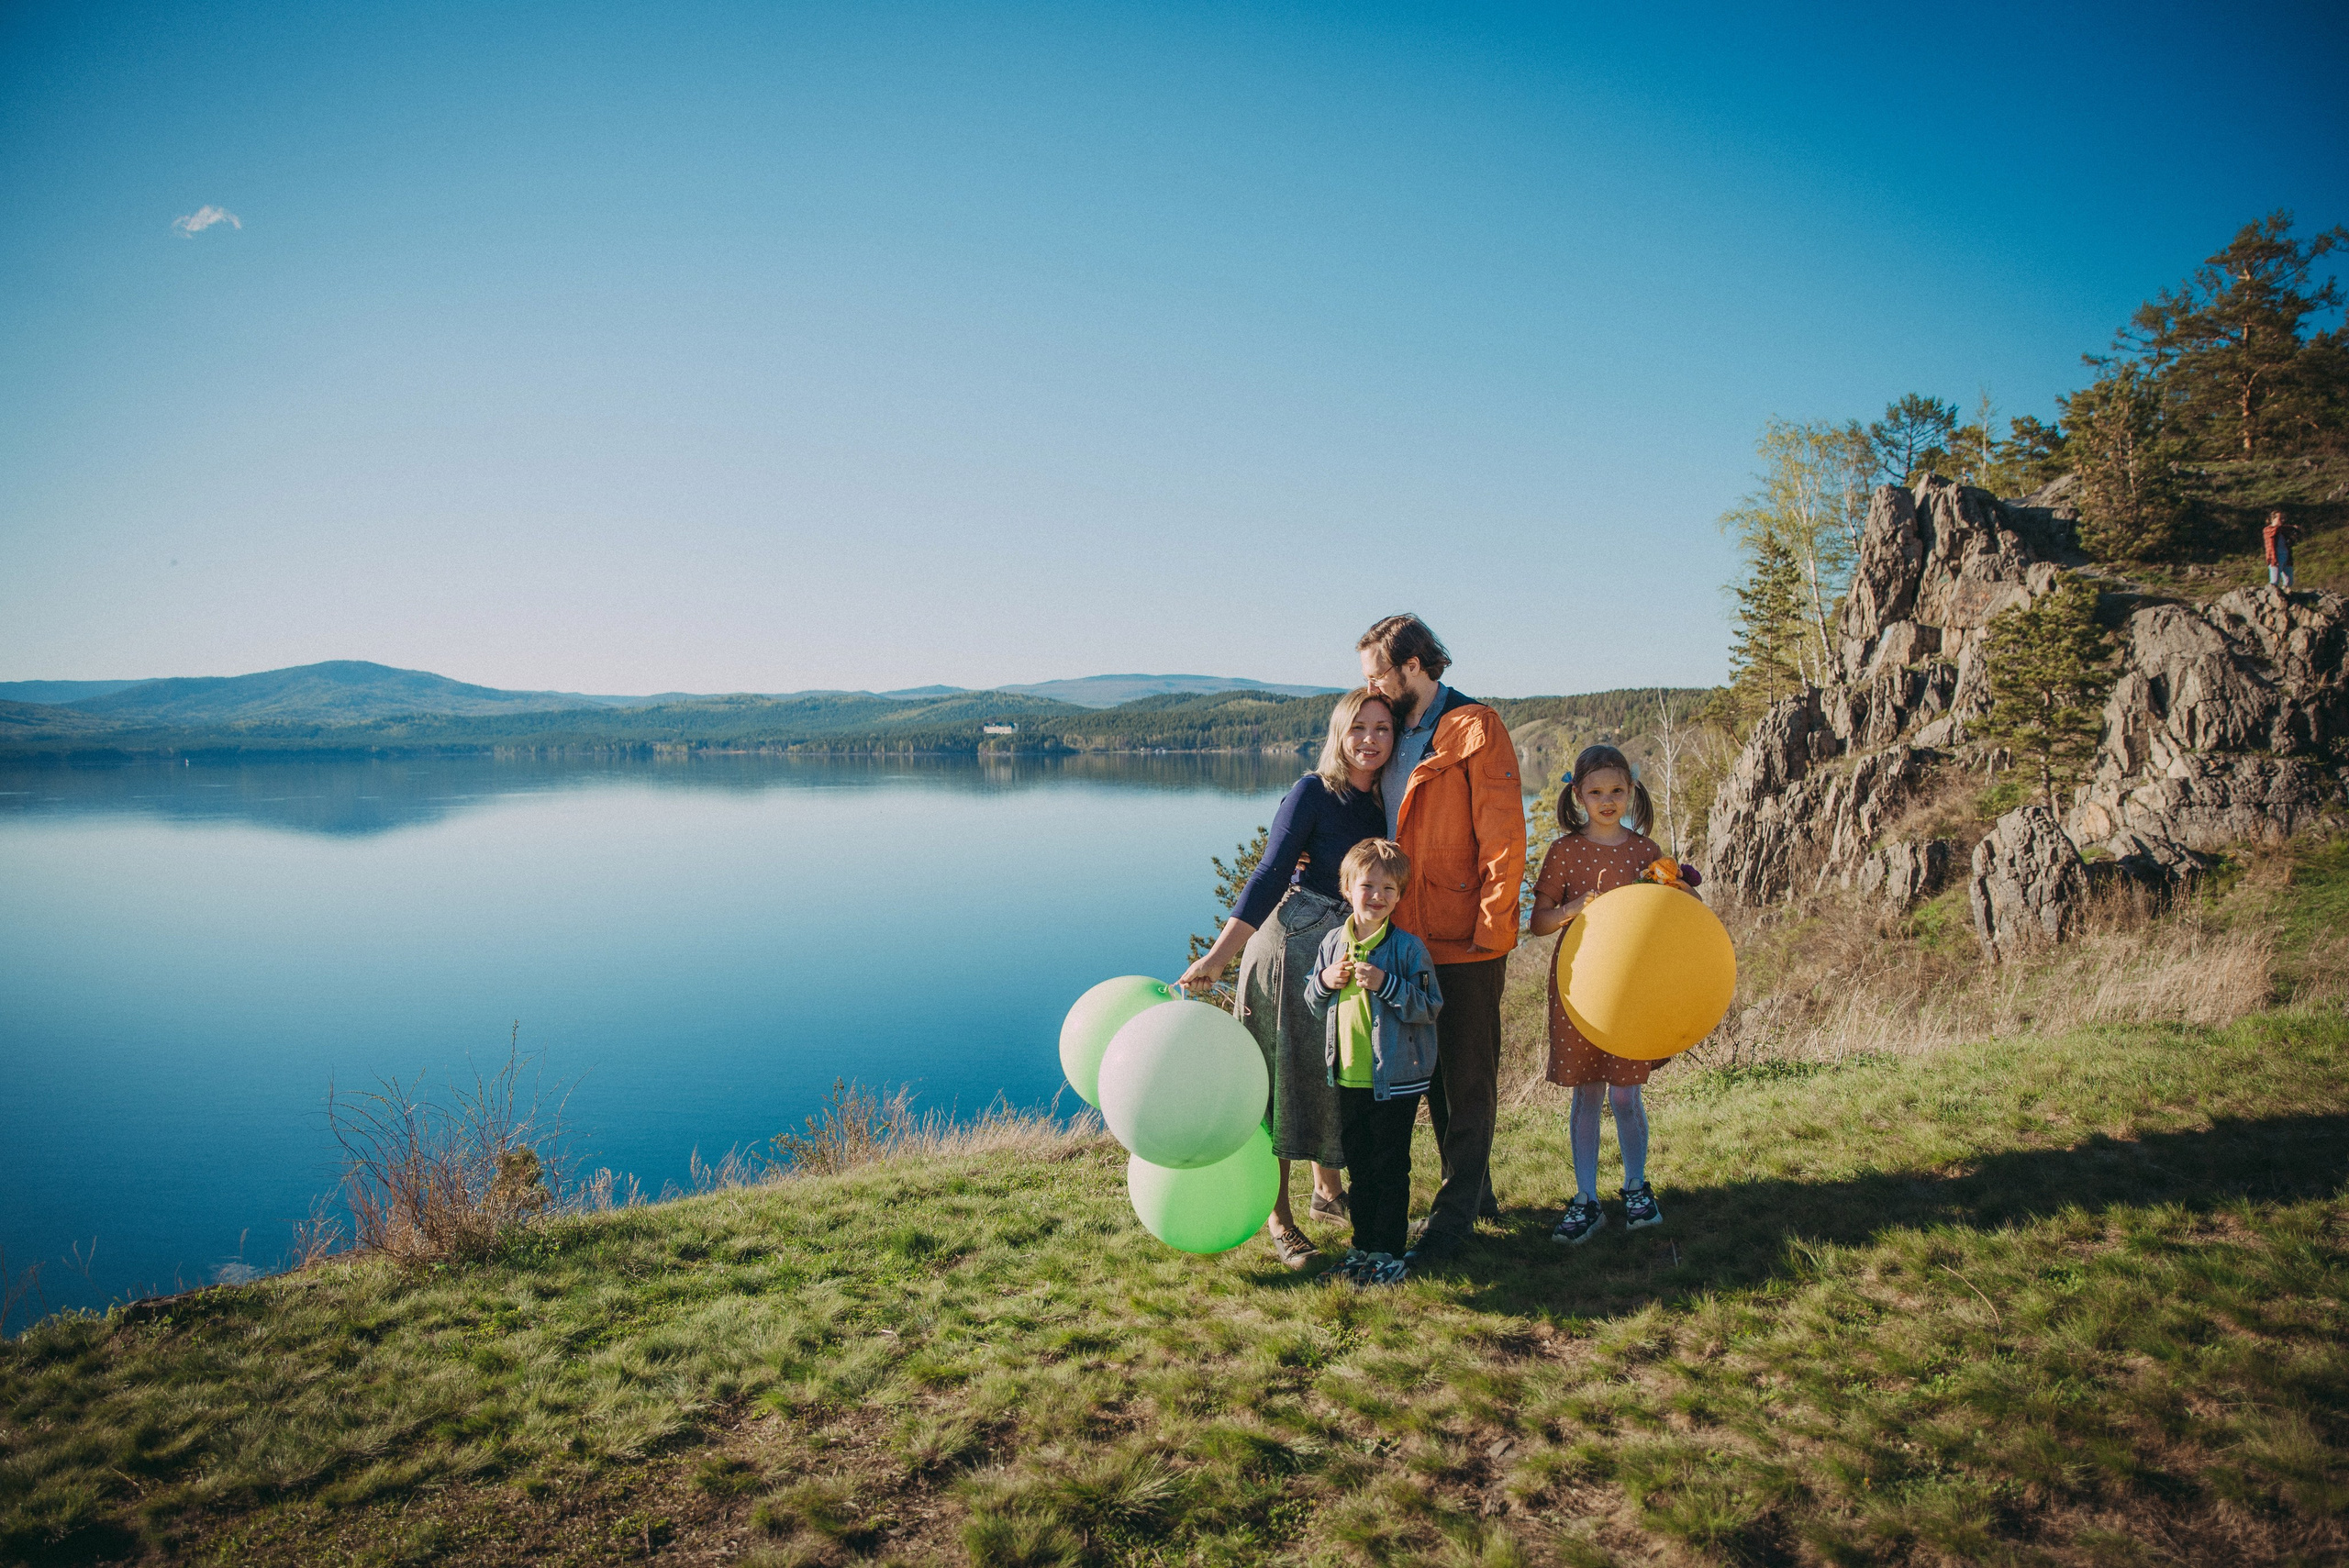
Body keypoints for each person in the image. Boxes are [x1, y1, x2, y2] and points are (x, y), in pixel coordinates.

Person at [1180, 687, 1396, 1269]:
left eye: (1382, 728)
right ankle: (1279, 1218)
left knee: (1331, 1073)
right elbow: (1271, 871)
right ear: (1338, 733)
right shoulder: (1312, 792)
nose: (1370, 740)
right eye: (1358, 728)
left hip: (1344, 949)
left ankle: (1327, 1192)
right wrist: (1219, 957)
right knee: (1274, 1083)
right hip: (1289, 949)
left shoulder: (1386, 801)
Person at [1355, 614, 1526, 1267]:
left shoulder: (1476, 727)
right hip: (1408, 937)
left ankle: (1450, 1224)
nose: (1371, 688)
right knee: (1433, 1083)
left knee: (1470, 1079)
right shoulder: (1391, 733)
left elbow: (1504, 838)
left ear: (1413, 666)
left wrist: (1491, 929)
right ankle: (1476, 1199)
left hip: (1467, 939)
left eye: (1378, 674)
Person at [1528, 744, 1683, 1245]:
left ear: (1631, 791)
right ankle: (1586, 1198)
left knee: (1625, 1093)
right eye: (1596, 792)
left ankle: (1636, 1187)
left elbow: (1679, 909)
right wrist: (1572, 908)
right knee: (1588, 1093)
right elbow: (1538, 923)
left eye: (1617, 790)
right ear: (1578, 795)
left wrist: (1680, 891)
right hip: (1579, 985)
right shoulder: (1564, 852)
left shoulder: (1645, 851)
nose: (1607, 800)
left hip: (1633, 986)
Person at [1304, 839, 1442, 1287]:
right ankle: (1361, 1247)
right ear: (1347, 889)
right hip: (1348, 1077)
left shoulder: (1407, 949)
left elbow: (1429, 1006)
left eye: (1388, 888)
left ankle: (1389, 1251)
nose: (1377, 896)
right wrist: (1325, 981)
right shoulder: (1332, 943)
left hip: (1395, 1081)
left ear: (1399, 896)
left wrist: (1386, 983)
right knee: (1360, 1167)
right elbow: (1312, 1000)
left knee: (1390, 1166)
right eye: (1367, 886)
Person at [2265, 508, 2300, 589]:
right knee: (2275, 580)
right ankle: (2273, 593)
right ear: (2273, 519)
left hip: (2286, 557)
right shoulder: (2268, 530)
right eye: (2280, 518)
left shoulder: (2283, 531)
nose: (2283, 520)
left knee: (2289, 581)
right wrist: (2291, 527)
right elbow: (2275, 530)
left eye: (2283, 518)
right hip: (2275, 557)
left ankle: (2285, 592)